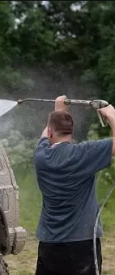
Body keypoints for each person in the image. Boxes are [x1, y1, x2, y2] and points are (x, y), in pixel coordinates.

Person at [33, 95, 115, 275]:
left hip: (50, 243)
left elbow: (45, 134)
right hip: (82, 244)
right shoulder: (84, 154)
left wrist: (58, 110)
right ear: (72, 131)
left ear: (51, 133)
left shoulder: (41, 156)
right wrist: (112, 115)